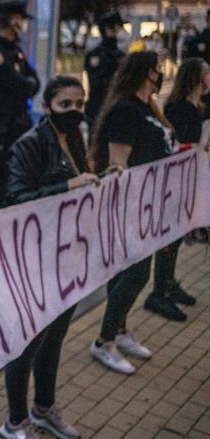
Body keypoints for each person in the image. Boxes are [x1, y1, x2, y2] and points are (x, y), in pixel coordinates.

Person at [0, 76, 96, 439]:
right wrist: (68, 187)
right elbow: (16, 199)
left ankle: (43, 408)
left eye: (80, 104)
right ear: (48, 106)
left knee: (53, 339)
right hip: (34, 262)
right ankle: (15, 420)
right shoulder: (29, 145)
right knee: (27, 344)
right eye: (66, 105)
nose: (75, 112)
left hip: (66, 258)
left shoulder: (73, 139)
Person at [88, 50, 176, 374]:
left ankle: (119, 328)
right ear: (144, 73)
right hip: (132, 205)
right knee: (136, 272)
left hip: (150, 202)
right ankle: (103, 340)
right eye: (157, 70)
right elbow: (117, 165)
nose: (161, 75)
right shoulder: (126, 110)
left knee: (132, 270)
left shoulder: (147, 108)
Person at [143, 58, 210, 321]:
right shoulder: (180, 108)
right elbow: (177, 144)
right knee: (168, 237)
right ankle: (158, 292)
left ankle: (167, 282)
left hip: (190, 179)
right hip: (174, 182)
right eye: (207, 74)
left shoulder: (199, 106)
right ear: (195, 78)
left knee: (178, 234)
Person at [0, 0, 40, 198]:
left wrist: (26, 84)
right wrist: (26, 84)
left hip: (20, 122)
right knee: (1, 178)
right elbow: (17, 84)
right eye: (21, 19)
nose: (23, 25)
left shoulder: (15, 51)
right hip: (2, 125)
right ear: (14, 21)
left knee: (23, 172)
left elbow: (34, 82)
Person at [85, 11, 126, 124]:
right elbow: (97, 84)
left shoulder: (120, 54)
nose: (121, 31)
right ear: (108, 30)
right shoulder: (97, 55)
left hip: (117, 108)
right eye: (118, 28)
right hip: (99, 109)